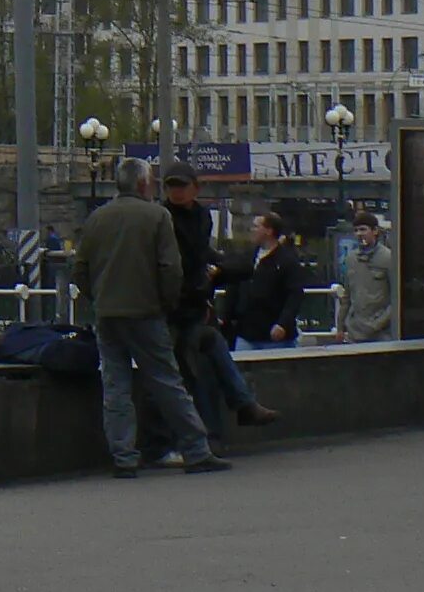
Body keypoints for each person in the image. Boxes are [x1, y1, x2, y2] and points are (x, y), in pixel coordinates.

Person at [71, 155, 229, 479]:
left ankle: (124, 457)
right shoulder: (157, 216)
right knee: (166, 381)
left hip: (108, 315)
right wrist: (166, 303)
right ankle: (197, 451)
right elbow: (170, 269)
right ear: (144, 184)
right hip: (146, 313)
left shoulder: (97, 218)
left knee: (115, 386)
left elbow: (80, 270)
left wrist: (99, 298)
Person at [158, 167, 272, 444]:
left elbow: (201, 255)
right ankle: (234, 413)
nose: (176, 191)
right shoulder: (163, 218)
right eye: (172, 186)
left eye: (182, 186)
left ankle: (220, 426)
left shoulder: (200, 216)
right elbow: (174, 264)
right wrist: (207, 277)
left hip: (194, 304)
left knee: (205, 363)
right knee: (199, 363)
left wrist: (219, 268)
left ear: (195, 188)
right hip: (174, 308)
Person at [232, 211, 305, 349]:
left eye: (256, 226)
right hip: (246, 334)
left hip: (274, 335)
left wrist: (282, 324)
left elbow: (295, 295)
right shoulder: (248, 257)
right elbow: (235, 285)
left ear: (269, 231)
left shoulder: (287, 260)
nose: (251, 230)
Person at [338, 210, 395, 343]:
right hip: (354, 332)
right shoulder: (350, 259)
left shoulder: (389, 258)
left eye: (363, 229)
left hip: (381, 334)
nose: (359, 234)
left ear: (375, 231)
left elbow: (396, 299)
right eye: (356, 230)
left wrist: (378, 323)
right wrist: (340, 326)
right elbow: (347, 296)